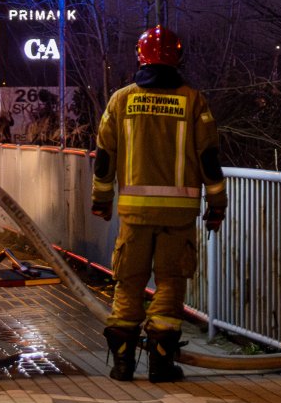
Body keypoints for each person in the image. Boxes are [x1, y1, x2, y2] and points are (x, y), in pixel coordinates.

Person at [91, 25, 227, 383]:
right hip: (179, 215)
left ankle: (122, 364)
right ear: (178, 58)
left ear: (140, 56)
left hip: (134, 213)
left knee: (129, 282)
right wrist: (217, 205)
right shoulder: (194, 101)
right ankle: (162, 365)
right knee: (170, 283)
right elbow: (209, 158)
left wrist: (101, 200)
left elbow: (104, 156)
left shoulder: (121, 100)